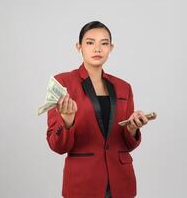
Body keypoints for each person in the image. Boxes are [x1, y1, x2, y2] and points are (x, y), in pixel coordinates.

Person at [46, 21, 150, 198]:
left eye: (104, 43)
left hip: (121, 181)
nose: (97, 49)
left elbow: (126, 145)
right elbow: (57, 146)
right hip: (83, 181)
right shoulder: (62, 83)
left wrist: (132, 130)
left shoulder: (124, 87)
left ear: (111, 48)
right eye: (90, 42)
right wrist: (67, 121)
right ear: (78, 47)